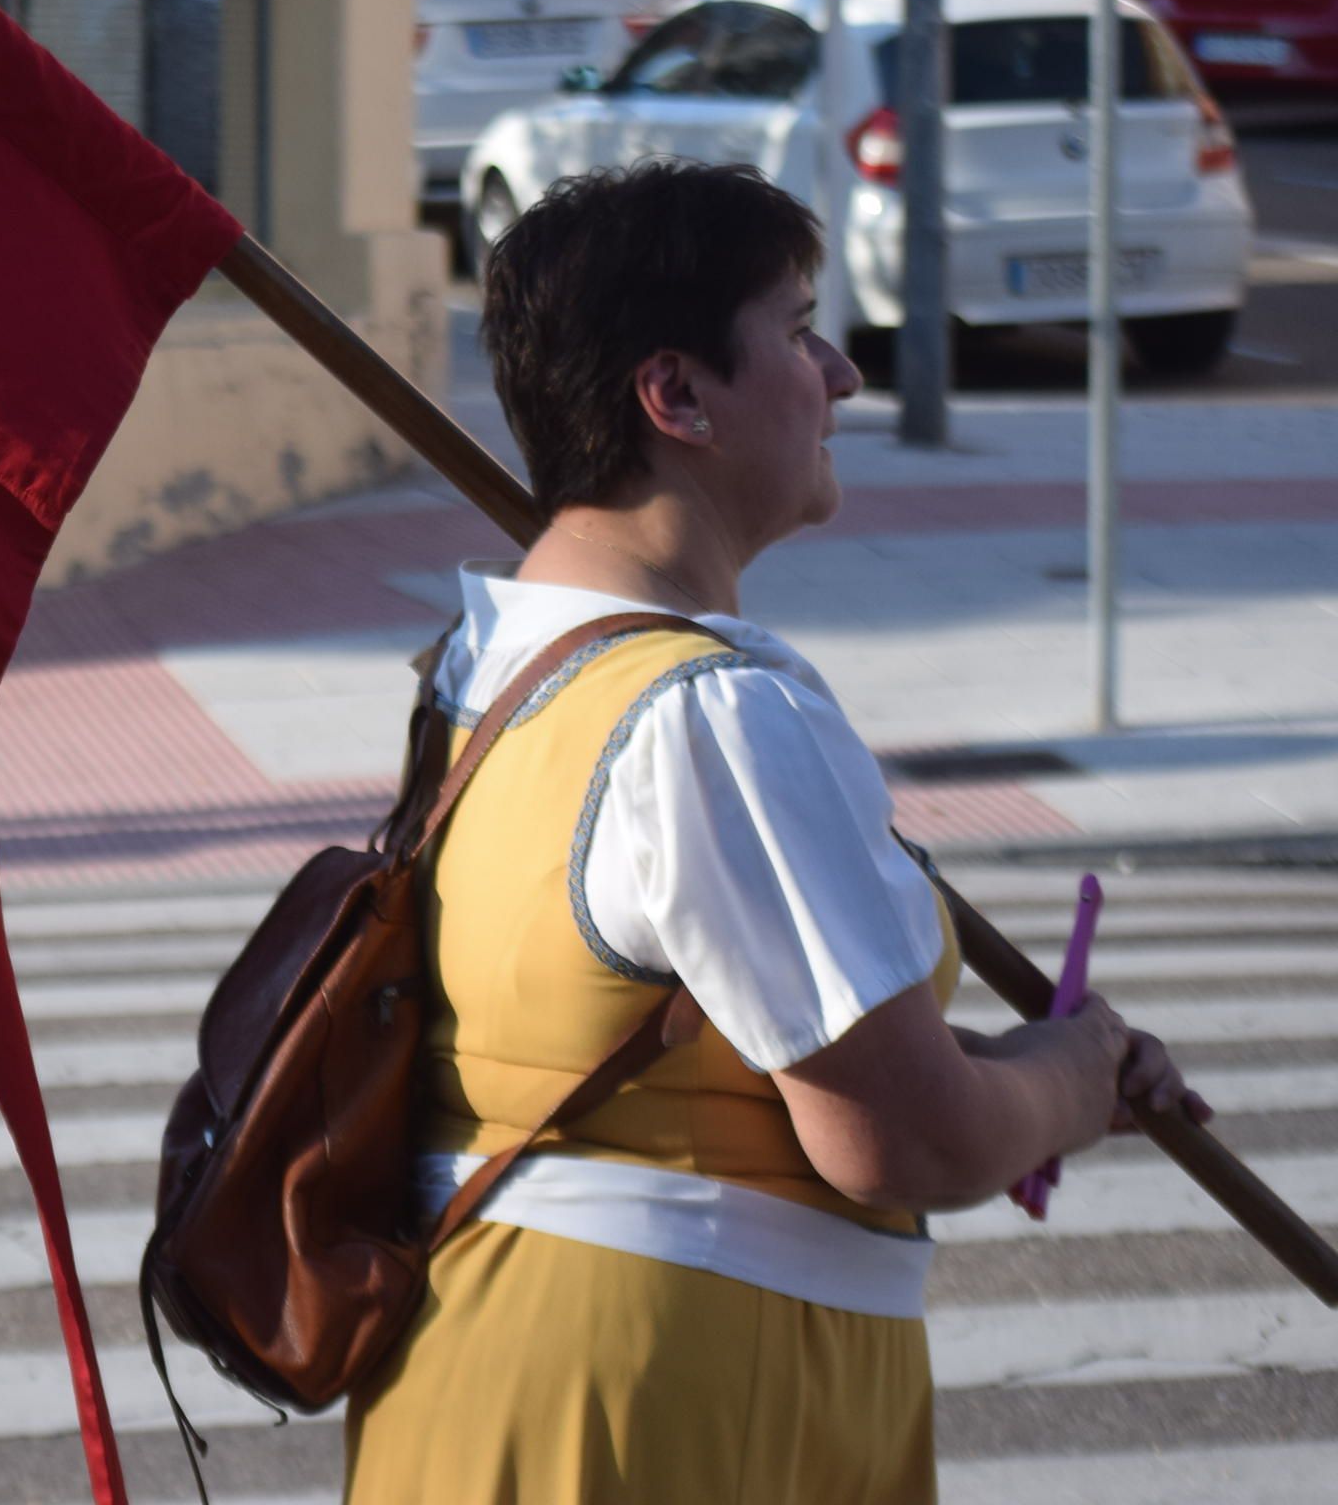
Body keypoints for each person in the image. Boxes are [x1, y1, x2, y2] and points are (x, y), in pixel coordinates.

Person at [342, 160, 1204, 1502]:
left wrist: (1004, 1060)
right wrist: (1073, 1080)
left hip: (497, 1375)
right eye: (799, 329)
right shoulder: (710, 715)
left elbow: (677, 1039)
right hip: (671, 1401)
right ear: (676, 395)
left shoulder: (488, 667)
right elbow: (901, 1143)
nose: (843, 374)